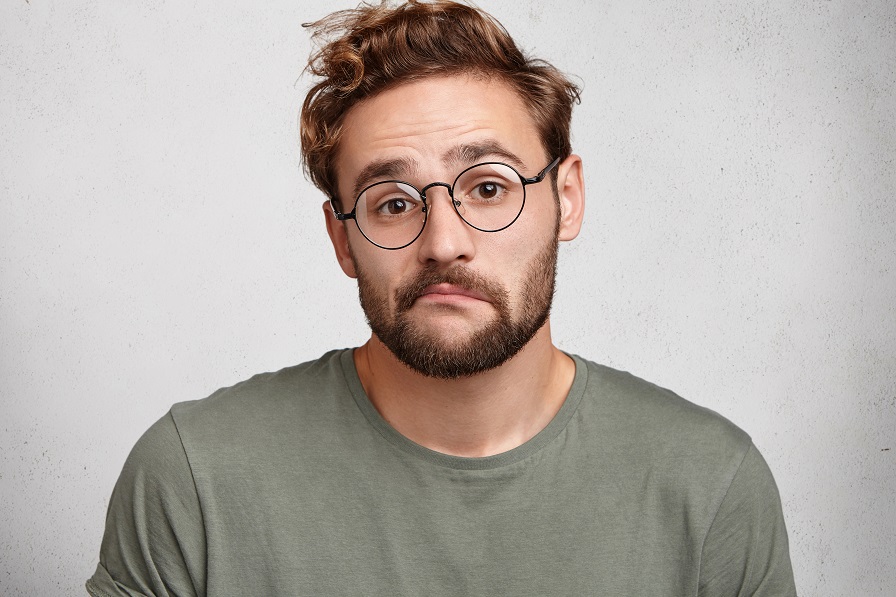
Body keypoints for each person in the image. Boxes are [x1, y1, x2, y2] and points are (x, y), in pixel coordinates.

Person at [87, 1, 797, 595]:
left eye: (488, 187)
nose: (444, 242)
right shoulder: (193, 480)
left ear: (568, 198)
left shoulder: (710, 486)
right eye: (393, 202)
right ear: (342, 239)